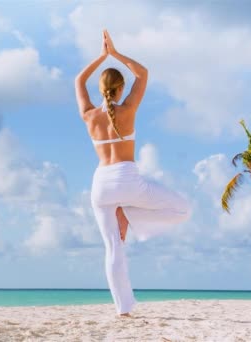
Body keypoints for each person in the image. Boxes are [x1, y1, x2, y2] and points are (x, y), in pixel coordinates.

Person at [74, 30, 192, 317]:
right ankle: (131, 217)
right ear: (120, 89)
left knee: (113, 248)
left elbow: (78, 80)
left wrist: (100, 58)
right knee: (182, 210)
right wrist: (114, 54)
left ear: (102, 89)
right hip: (127, 180)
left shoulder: (89, 115)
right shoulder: (128, 109)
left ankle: (123, 308)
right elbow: (143, 73)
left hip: (100, 185)